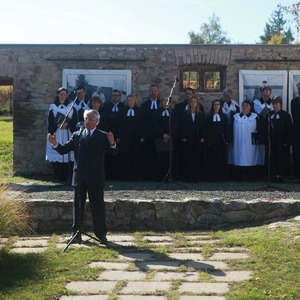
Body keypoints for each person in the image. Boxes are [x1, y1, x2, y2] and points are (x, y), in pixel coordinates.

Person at [47, 109, 118, 245]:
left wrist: (112, 143)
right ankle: (76, 233)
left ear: (97, 122)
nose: (87, 121)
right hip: (79, 177)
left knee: (97, 207)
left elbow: (113, 152)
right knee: (77, 206)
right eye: (86, 118)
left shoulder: (103, 136)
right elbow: (63, 149)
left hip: (95, 177)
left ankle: (101, 235)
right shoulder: (77, 135)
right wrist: (54, 143)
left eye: (91, 119)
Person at [46, 87, 77, 182]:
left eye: (64, 94)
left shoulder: (71, 106)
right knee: (58, 151)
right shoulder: (53, 107)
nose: (63, 96)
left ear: (66, 95)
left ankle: (69, 175)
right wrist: (57, 125)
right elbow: (50, 121)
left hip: (68, 132)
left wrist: (67, 125)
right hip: (58, 132)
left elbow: (75, 120)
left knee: (68, 151)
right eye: (61, 94)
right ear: (58, 95)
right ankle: (60, 175)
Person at [115, 94, 145, 181]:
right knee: (125, 157)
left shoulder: (140, 111)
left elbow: (143, 124)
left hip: (136, 138)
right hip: (125, 138)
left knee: (136, 157)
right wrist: (118, 136)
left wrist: (143, 136)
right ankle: (126, 176)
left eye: (131, 100)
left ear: (135, 101)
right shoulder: (122, 111)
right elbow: (119, 125)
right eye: (128, 100)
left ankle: (136, 177)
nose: (130, 102)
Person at [229, 100, 261, 181]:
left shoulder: (255, 117)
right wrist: (230, 140)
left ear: (250, 107)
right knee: (238, 156)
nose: (245, 107)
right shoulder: (235, 117)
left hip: (251, 143)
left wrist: (258, 140)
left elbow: (259, 129)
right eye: (243, 105)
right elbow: (230, 129)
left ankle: (250, 175)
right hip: (237, 142)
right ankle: (238, 175)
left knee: (251, 157)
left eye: (247, 105)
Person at [153, 95, 179, 181]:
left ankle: (170, 176)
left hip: (171, 137)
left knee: (170, 158)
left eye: (167, 100)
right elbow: (155, 125)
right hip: (160, 138)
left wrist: (169, 135)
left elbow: (175, 125)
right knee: (160, 158)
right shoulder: (157, 112)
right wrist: (163, 134)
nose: (165, 101)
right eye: (163, 100)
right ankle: (160, 176)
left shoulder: (174, 112)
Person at [180, 96, 205, 182]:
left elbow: (203, 127)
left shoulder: (201, 114)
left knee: (197, 157)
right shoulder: (185, 114)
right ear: (189, 104)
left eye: (195, 102)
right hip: (188, 139)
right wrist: (183, 136)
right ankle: (188, 177)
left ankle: (196, 177)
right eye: (192, 102)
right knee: (188, 158)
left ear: (197, 104)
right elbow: (182, 126)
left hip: (197, 138)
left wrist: (202, 137)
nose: (193, 103)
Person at [101, 89, 125, 180]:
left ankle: (119, 176)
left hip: (120, 136)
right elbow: (104, 122)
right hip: (108, 135)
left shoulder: (123, 107)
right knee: (108, 156)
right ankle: (109, 175)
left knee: (119, 156)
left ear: (120, 96)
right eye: (113, 95)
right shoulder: (106, 107)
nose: (115, 97)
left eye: (117, 95)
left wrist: (119, 136)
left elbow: (123, 124)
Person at [205, 99, 231, 182]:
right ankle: (213, 177)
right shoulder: (209, 117)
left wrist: (227, 139)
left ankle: (222, 177)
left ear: (220, 106)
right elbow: (207, 130)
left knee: (222, 158)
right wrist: (207, 141)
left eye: (218, 104)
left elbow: (227, 128)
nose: (216, 106)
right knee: (212, 158)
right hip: (212, 141)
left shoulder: (224, 117)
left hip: (221, 140)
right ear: (213, 106)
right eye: (215, 104)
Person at [268, 96, 292, 182]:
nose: (275, 105)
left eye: (276, 103)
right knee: (273, 158)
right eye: (273, 103)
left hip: (282, 141)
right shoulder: (270, 115)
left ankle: (282, 175)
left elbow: (289, 129)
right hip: (273, 141)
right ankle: (273, 175)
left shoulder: (285, 115)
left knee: (282, 158)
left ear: (280, 104)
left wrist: (287, 140)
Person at [140, 84, 161, 180]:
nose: (153, 92)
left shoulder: (162, 104)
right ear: (149, 92)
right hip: (148, 135)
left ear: (158, 92)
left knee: (159, 156)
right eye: (152, 91)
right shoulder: (144, 105)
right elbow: (142, 122)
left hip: (159, 135)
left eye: (155, 91)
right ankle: (148, 176)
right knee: (148, 155)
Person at [253, 86, 274, 176]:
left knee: (269, 150)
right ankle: (259, 171)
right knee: (260, 150)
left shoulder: (273, 103)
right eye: (265, 95)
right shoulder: (256, 102)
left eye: (268, 96)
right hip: (260, 129)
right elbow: (256, 115)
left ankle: (268, 171)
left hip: (269, 129)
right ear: (262, 93)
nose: (266, 97)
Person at [290, 82, 300, 178]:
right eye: (299, 88)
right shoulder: (294, 102)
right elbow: (295, 116)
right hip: (297, 131)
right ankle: (297, 174)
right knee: (297, 153)